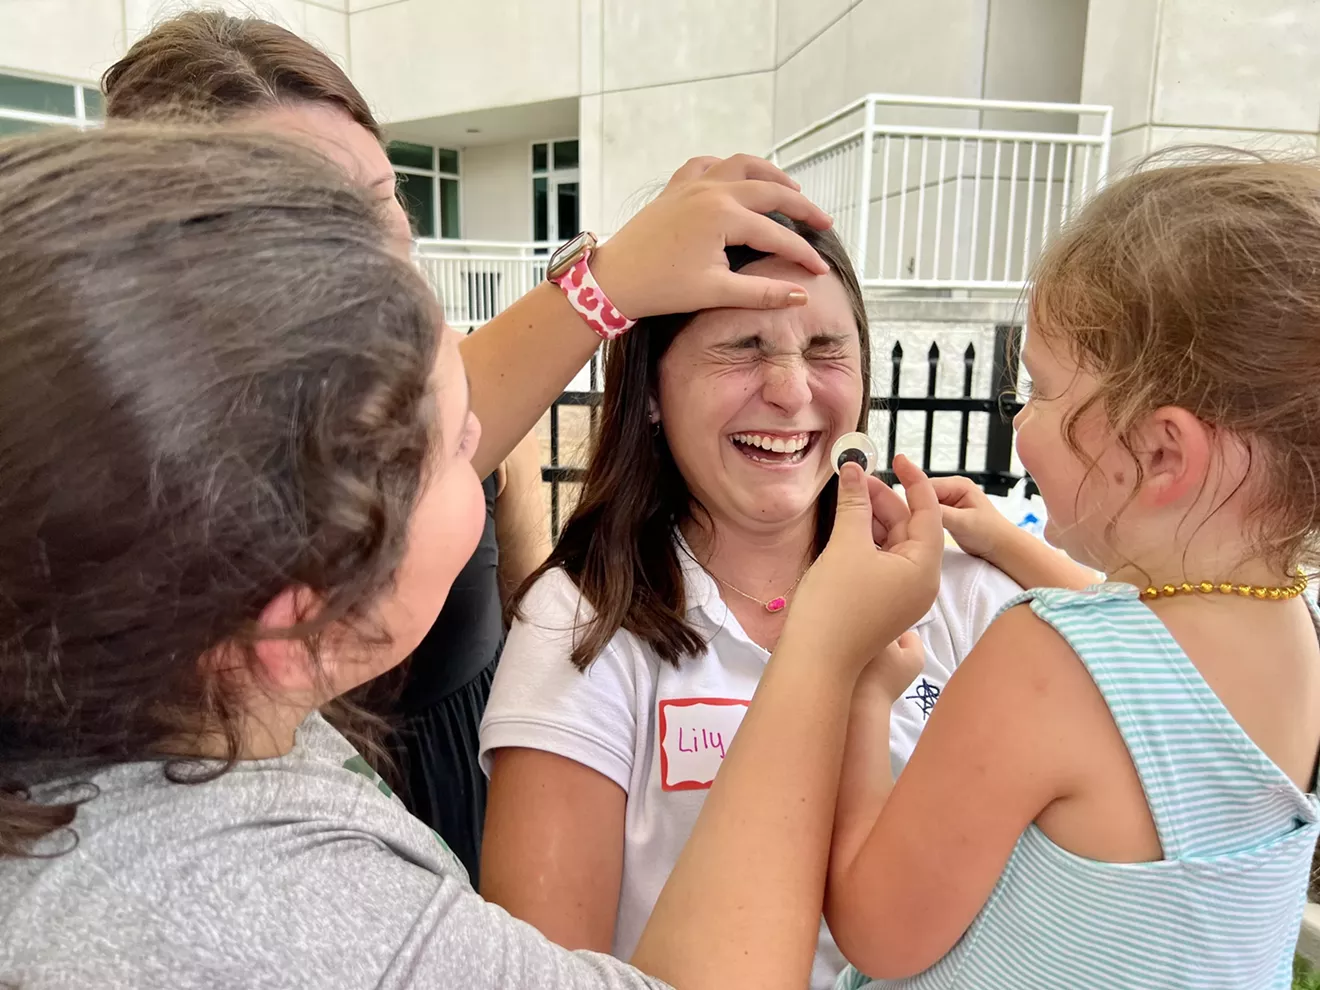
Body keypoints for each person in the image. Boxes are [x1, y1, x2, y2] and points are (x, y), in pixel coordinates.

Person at [0, 125, 947, 990]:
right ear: (298, 615)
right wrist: (825, 660)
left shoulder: (167, 727)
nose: (493, 439)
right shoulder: (303, 919)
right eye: (459, 446)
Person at [99, 9, 809, 876]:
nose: (387, 255)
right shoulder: (162, 479)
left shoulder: (456, 397)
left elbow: (527, 587)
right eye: (319, 230)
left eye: (382, 200)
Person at [478, 215, 1024, 990]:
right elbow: (548, 968)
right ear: (653, 393)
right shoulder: (582, 622)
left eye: (826, 349)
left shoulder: (963, 589)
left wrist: (1027, 558)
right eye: (744, 349)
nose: (791, 389)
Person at [821, 158, 1320, 989]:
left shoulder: (1044, 659)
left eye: (1042, 389)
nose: (1020, 417)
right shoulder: (1290, 629)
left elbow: (877, 932)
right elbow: (1161, 677)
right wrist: (1013, 545)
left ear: (1162, 451)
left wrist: (861, 684)